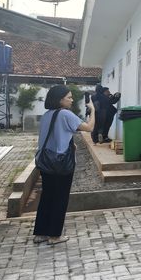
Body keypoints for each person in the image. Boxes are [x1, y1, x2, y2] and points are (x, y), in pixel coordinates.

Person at [33, 85, 95, 245]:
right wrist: (92, 110)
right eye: (69, 97)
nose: (72, 100)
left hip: (45, 160)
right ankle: (54, 236)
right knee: (60, 198)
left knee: (47, 196)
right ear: (60, 99)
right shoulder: (65, 114)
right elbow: (89, 128)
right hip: (61, 162)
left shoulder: (47, 115)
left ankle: (40, 233)